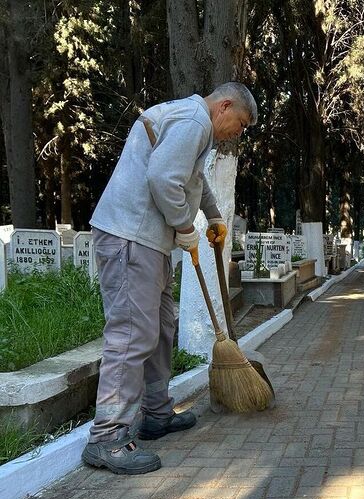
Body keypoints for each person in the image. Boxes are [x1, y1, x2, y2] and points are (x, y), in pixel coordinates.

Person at [82, 82, 258, 475]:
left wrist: (212, 215)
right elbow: (163, 178)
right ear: (224, 106)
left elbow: (193, 179)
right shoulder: (195, 120)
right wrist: (184, 225)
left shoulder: (195, 125)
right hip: (130, 236)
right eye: (241, 124)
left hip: (147, 242)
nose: (238, 133)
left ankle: (156, 413)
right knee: (131, 333)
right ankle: (107, 437)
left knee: (161, 326)